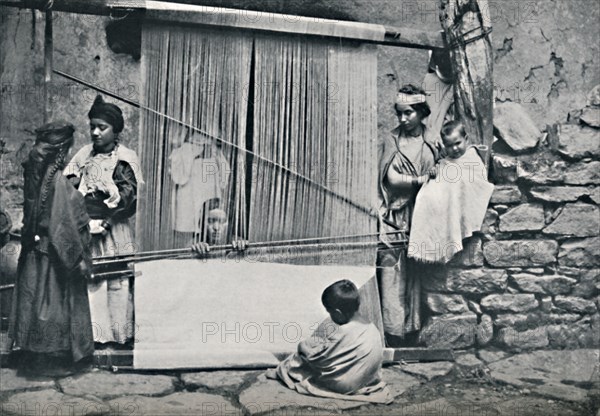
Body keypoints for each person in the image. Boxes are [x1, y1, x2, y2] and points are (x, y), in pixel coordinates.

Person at [9, 121, 94, 375]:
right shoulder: (57, 182)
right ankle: (53, 361)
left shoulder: (38, 181)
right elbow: (62, 225)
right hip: (53, 256)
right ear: (62, 152)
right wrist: (77, 259)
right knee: (54, 306)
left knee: (36, 303)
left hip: (36, 252)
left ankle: (36, 356)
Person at [65, 95, 143, 346]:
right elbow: (69, 187)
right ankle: (96, 338)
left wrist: (109, 217)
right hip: (88, 228)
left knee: (117, 281)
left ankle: (120, 337)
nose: (96, 132)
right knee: (92, 280)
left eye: (102, 127)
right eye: (92, 127)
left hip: (114, 228)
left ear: (116, 130)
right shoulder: (84, 154)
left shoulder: (125, 158)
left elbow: (130, 196)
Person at [377, 84, 439, 347]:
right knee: (391, 271)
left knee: (416, 274)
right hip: (394, 214)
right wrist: (422, 179)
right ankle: (392, 332)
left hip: (422, 214)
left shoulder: (433, 141)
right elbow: (389, 177)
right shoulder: (391, 141)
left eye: (409, 113)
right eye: (399, 113)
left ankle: (412, 330)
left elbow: (444, 174)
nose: (402, 119)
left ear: (421, 112)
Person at [267, 280, 392, 404]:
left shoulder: (342, 332)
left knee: (299, 357)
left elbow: (315, 359)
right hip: (367, 380)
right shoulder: (372, 328)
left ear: (338, 312)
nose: (330, 316)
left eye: (329, 312)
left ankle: (283, 372)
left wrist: (302, 346)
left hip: (344, 385)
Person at [408, 120, 494, 264]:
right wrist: (435, 172)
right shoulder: (445, 161)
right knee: (426, 195)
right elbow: (441, 172)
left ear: (466, 139)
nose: (454, 149)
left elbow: (477, 181)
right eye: (449, 146)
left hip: (458, 197)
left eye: (457, 143)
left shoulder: (472, 156)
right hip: (442, 205)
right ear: (444, 145)